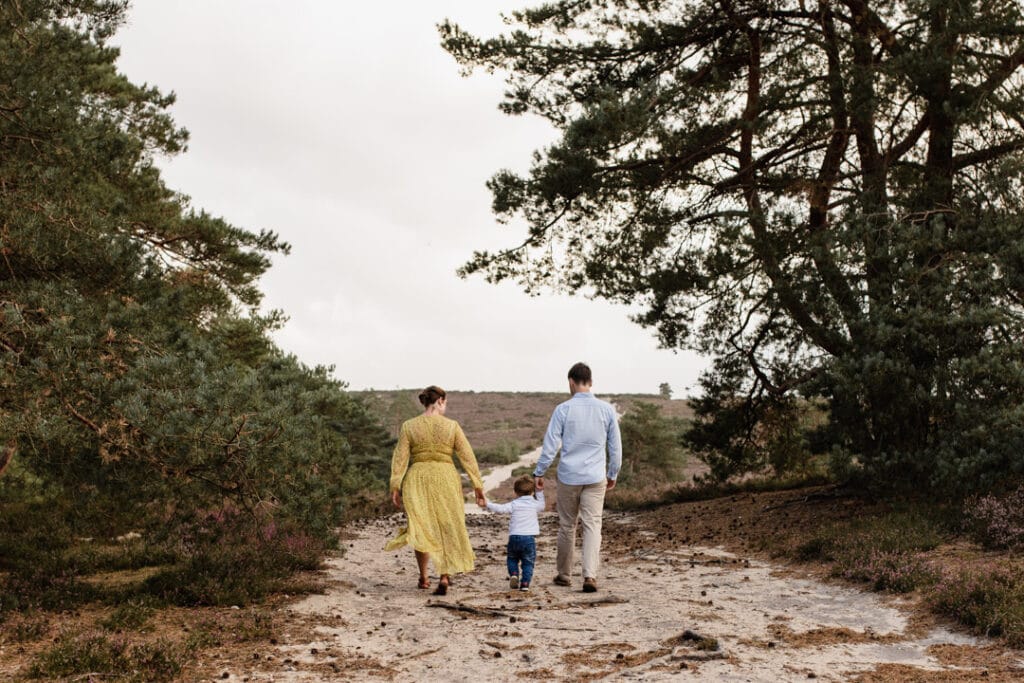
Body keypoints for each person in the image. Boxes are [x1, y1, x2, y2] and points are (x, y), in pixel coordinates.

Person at [385, 385, 485, 595]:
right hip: (445, 477)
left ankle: (423, 577)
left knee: (420, 526)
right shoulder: (452, 426)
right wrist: (477, 484)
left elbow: (400, 458)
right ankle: (444, 575)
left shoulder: (409, 426)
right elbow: (467, 456)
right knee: (446, 525)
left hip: (418, 477)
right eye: (445, 402)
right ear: (440, 401)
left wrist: (395, 485)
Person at [533, 362, 621, 592]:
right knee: (593, 524)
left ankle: (564, 574)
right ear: (590, 382)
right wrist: (613, 473)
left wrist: (539, 472)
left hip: (569, 477)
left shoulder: (563, 409)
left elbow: (550, 446)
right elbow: (616, 448)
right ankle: (589, 575)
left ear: (571, 382)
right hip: (595, 476)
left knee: (567, 525)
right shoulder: (606, 410)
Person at [478, 475, 546, 591]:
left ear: (515, 492)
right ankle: (525, 584)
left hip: (514, 537)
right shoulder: (535, 504)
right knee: (528, 562)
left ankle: (514, 573)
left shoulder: (514, 504)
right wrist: (539, 491)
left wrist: (487, 504)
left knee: (512, 558)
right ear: (532, 492)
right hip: (529, 539)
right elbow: (542, 505)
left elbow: (500, 508)